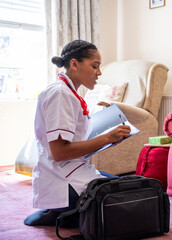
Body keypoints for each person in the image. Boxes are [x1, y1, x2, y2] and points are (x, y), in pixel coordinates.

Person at [24, 40, 131, 227]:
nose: (99, 72)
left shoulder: (68, 92)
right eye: (95, 66)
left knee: (124, 185)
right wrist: (107, 137)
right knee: (128, 199)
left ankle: (59, 211)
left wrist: (107, 139)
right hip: (61, 180)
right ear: (74, 64)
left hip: (68, 171)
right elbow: (60, 153)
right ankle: (64, 212)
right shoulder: (60, 94)